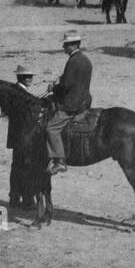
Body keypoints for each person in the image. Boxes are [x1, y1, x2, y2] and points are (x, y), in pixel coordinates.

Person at [45, 30, 92, 174]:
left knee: (51, 128)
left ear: (73, 45)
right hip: (85, 100)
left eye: (65, 45)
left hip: (72, 104)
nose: (64, 48)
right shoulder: (85, 60)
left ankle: (60, 161)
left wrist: (54, 87)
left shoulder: (73, 61)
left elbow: (67, 85)